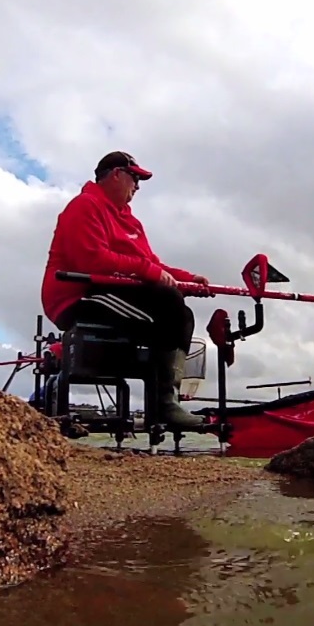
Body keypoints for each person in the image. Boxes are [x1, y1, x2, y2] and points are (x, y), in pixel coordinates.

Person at [41, 150, 209, 428]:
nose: (138, 186)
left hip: (112, 293)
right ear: (117, 174)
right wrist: (152, 274)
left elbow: (153, 264)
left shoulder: (131, 222)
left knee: (180, 311)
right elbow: (91, 260)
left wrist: (189, 280)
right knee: (169, 306)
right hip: (79, 296)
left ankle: (165, 402)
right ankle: (163, 405)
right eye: (135, 178)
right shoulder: (84, 205)